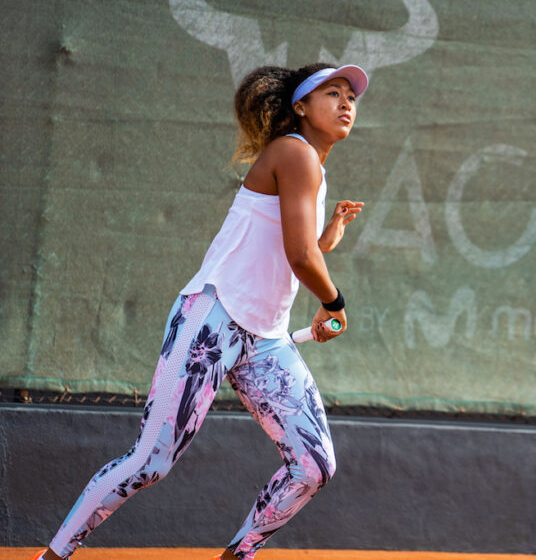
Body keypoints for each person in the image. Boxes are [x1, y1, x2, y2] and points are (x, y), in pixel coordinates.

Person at [34, 63, 369, 560]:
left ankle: (239, 555)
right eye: (332, 93)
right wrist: (333, 302)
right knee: (151, 461)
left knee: (313, 465)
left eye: (352, 97)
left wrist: (328, 239)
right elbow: (300, 258)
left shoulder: (313, 172)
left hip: (266, 339)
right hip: (211, 319)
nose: (347, 103)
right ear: (300, 107)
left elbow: (297, 252)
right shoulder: (293, 153)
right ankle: (54, 555)